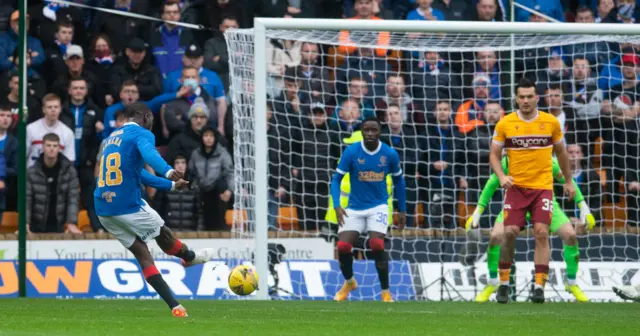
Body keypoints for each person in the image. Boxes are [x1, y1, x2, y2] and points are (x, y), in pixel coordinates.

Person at [94, 102, 214, 317]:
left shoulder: (113, 137)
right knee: (164, 235)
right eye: (152, 119)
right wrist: (169, 172)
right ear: (146, 117)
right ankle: (190, 256)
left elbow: (138, 172)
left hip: (103, 208)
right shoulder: (141, 134)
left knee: (142, 253)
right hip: (127, 204)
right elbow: (150, 155)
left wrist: (168, 185)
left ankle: (175, 307)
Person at [489, 77, 575, 304]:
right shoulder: (505, 123)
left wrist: (568, 181)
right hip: (516, 189)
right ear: (516, 98)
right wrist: (501, 176)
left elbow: (562, 153)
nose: (525, 101)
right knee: (508, 233)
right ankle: (504, 283)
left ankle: (539, 286)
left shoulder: (550, 122)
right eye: (521, 97)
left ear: (537, 98)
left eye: (530, 97)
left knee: (541, 232)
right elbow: (494, 155)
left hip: (542, 189)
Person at [467, 156, 596, 303]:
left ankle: (571, 283)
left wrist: (583, 207)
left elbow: (567, 181)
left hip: (544, 202)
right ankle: (492, 283)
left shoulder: (546, 159)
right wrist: (477, 213)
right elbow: (491, 184)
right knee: (496, 236)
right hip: (516, 202)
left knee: (570, 235)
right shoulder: (510, 160)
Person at [331, 117, 406, 303]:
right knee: (343, 247)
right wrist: (337, 205)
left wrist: (402, 209)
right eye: (367, 130)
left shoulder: (389, 154)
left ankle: (385, 292)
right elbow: (336, 180)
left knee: (377, 245)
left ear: (380, 132)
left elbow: (399, 181)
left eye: (374, 130)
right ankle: (349, 282)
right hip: (354, 207)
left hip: (378, 205)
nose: (370, 134)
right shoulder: (352, 152)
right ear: (362, 131)